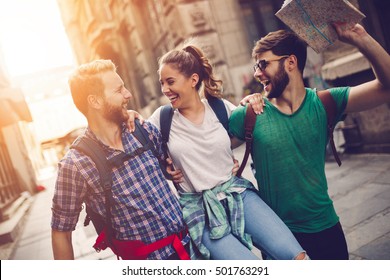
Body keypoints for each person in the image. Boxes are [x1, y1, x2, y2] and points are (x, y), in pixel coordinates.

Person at [229, 22, 390, 260]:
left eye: (264, 64)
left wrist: (360, 37)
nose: (257, 73)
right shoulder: (250, 114)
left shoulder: (326, 103)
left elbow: (386, 87)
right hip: (279, 237)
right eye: (256, 65)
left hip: (326, 228)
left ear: (291, 62)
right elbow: (210, 147)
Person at [146, 42, 309, 260]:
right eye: (162, 83)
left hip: (237, 195)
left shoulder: (219, 108)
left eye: (170, 82)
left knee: (296, 256)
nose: (165, 89)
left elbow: (252, 125)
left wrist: (253, 100)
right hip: (199, 210)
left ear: (193, 80)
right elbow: (138, 150)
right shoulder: (162, 118)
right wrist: (161, 164)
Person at [51, 59, 190, 260]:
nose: (128, 94)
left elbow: (176, 162)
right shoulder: (75, 164)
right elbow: (60, 232)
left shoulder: (143, 130)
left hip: (193, 248)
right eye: (119, 90)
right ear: (95, 101)